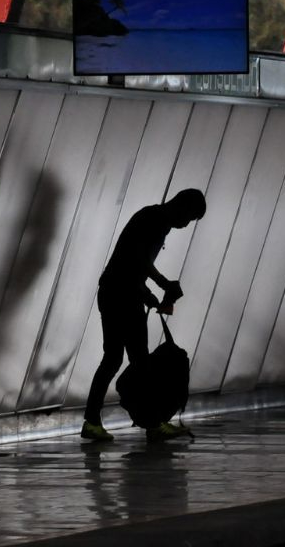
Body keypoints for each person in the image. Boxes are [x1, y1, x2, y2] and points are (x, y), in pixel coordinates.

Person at [81, 188, 206, 442]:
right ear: (181, 206)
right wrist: (162, 284)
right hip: (122, 297)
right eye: (189, 218)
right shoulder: (155, 220)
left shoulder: (153, 219)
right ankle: (153, 424)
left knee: (114, 359)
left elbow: (130, 264)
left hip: (116, 292)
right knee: (139, 361)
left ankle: (93, 421)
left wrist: (146, 293)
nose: (186, 225)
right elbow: (137, 259)